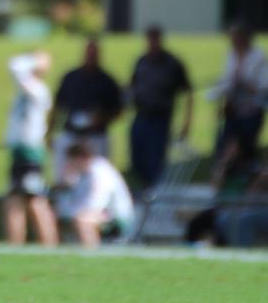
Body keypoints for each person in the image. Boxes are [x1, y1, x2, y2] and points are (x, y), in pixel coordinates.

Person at [2, 52, 58, 246]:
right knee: (16, 200)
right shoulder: (27, 89)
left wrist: (37, 60)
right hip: (20, 152)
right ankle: (15, 244)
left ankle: (48, 244)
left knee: (34, 200)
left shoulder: (37, 89)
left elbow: (14, 65)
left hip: (30, 152)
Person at [129, 26, 194, 190]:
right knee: (137, 158)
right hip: (141, 115)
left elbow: (188, 92)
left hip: (160, 118)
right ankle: (146, 188)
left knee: (155, 161)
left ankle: (154, 192)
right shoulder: (142, 61)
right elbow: (132, 86)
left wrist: (187, 122)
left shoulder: (172, 63)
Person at [48, 39, 123, 182]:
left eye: (94, 55)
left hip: (96, 136)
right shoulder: (71, 77)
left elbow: (118, 111)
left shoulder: (107, 81)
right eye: (89, 54)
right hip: (72, 133)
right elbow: (58, 106)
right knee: (65, 176)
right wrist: (50, 131)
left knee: (96, 177)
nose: (91, 58)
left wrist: (101, 118)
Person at [206, 21, 268, 159]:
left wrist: (244, 83)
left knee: (246, 148)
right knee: (224, 146)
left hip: (251, 110)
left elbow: (263, 87)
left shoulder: (258, 57)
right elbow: (226, 79)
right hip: (232, 110)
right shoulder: (231, 55)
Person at [56, 141, 134, 247]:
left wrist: (72, 212)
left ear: (79, 158)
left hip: (117, 217)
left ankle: (91, 254)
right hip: (102, 212)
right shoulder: (83, 173)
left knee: (82, 220)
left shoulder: (100, 172)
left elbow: (97, 203)